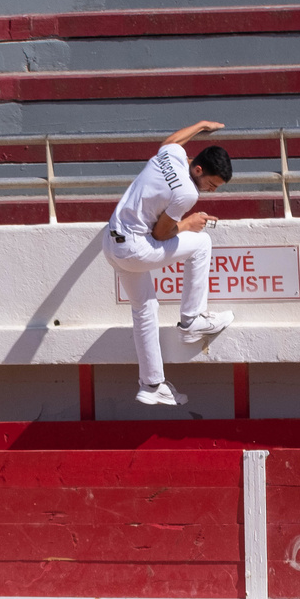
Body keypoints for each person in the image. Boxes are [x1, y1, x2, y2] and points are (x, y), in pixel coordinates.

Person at [102, 121, 235, 407]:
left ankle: (151, 384)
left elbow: (172, 140)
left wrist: (200, 126)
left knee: (145, 307)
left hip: (111, 243)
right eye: (211, 185)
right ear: (198, 169)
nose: (211, 191)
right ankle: (192, 320)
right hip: (135, 249)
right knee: (201, 243)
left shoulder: (170, 155)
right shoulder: (187, 192)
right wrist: (188, 223)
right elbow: (160, 234)